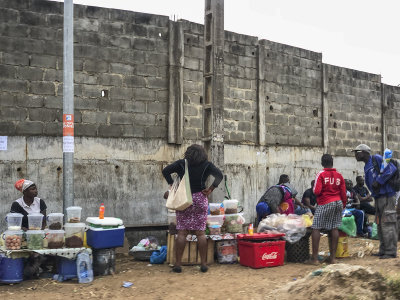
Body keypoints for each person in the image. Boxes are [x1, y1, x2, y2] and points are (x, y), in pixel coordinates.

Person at [162, 144, 223, 273]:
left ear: (188, 153)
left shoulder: (181, 164)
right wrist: (211, 189)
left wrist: (172, 184)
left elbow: (165, 171)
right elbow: (219, 175)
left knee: (182, 232)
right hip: (200, 198)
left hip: (184, 199)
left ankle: (178, 264)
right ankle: (204, 264)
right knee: (200, 233)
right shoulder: (207, 165)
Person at [352, 144, 398, 259]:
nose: (355, 155)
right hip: (379, 198)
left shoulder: (376, 158)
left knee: (388, 223)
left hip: (387, 196)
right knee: (380, 224)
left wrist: (379, 181)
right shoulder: (367, 166)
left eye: (357, 152)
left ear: (364, 152)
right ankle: (383, 250)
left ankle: (390, 251)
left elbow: (391, 169)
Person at [309, 154, 347, 265]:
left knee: (316, 227)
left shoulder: (321, 174)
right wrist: (343, 204)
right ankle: (333, 258)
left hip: (325, 202)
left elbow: (316, 191)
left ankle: (315, 259)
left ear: (322, 163)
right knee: (334, 228)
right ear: (332, 162)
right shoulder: (339, 175)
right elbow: (343, 192)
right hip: (338, 202)